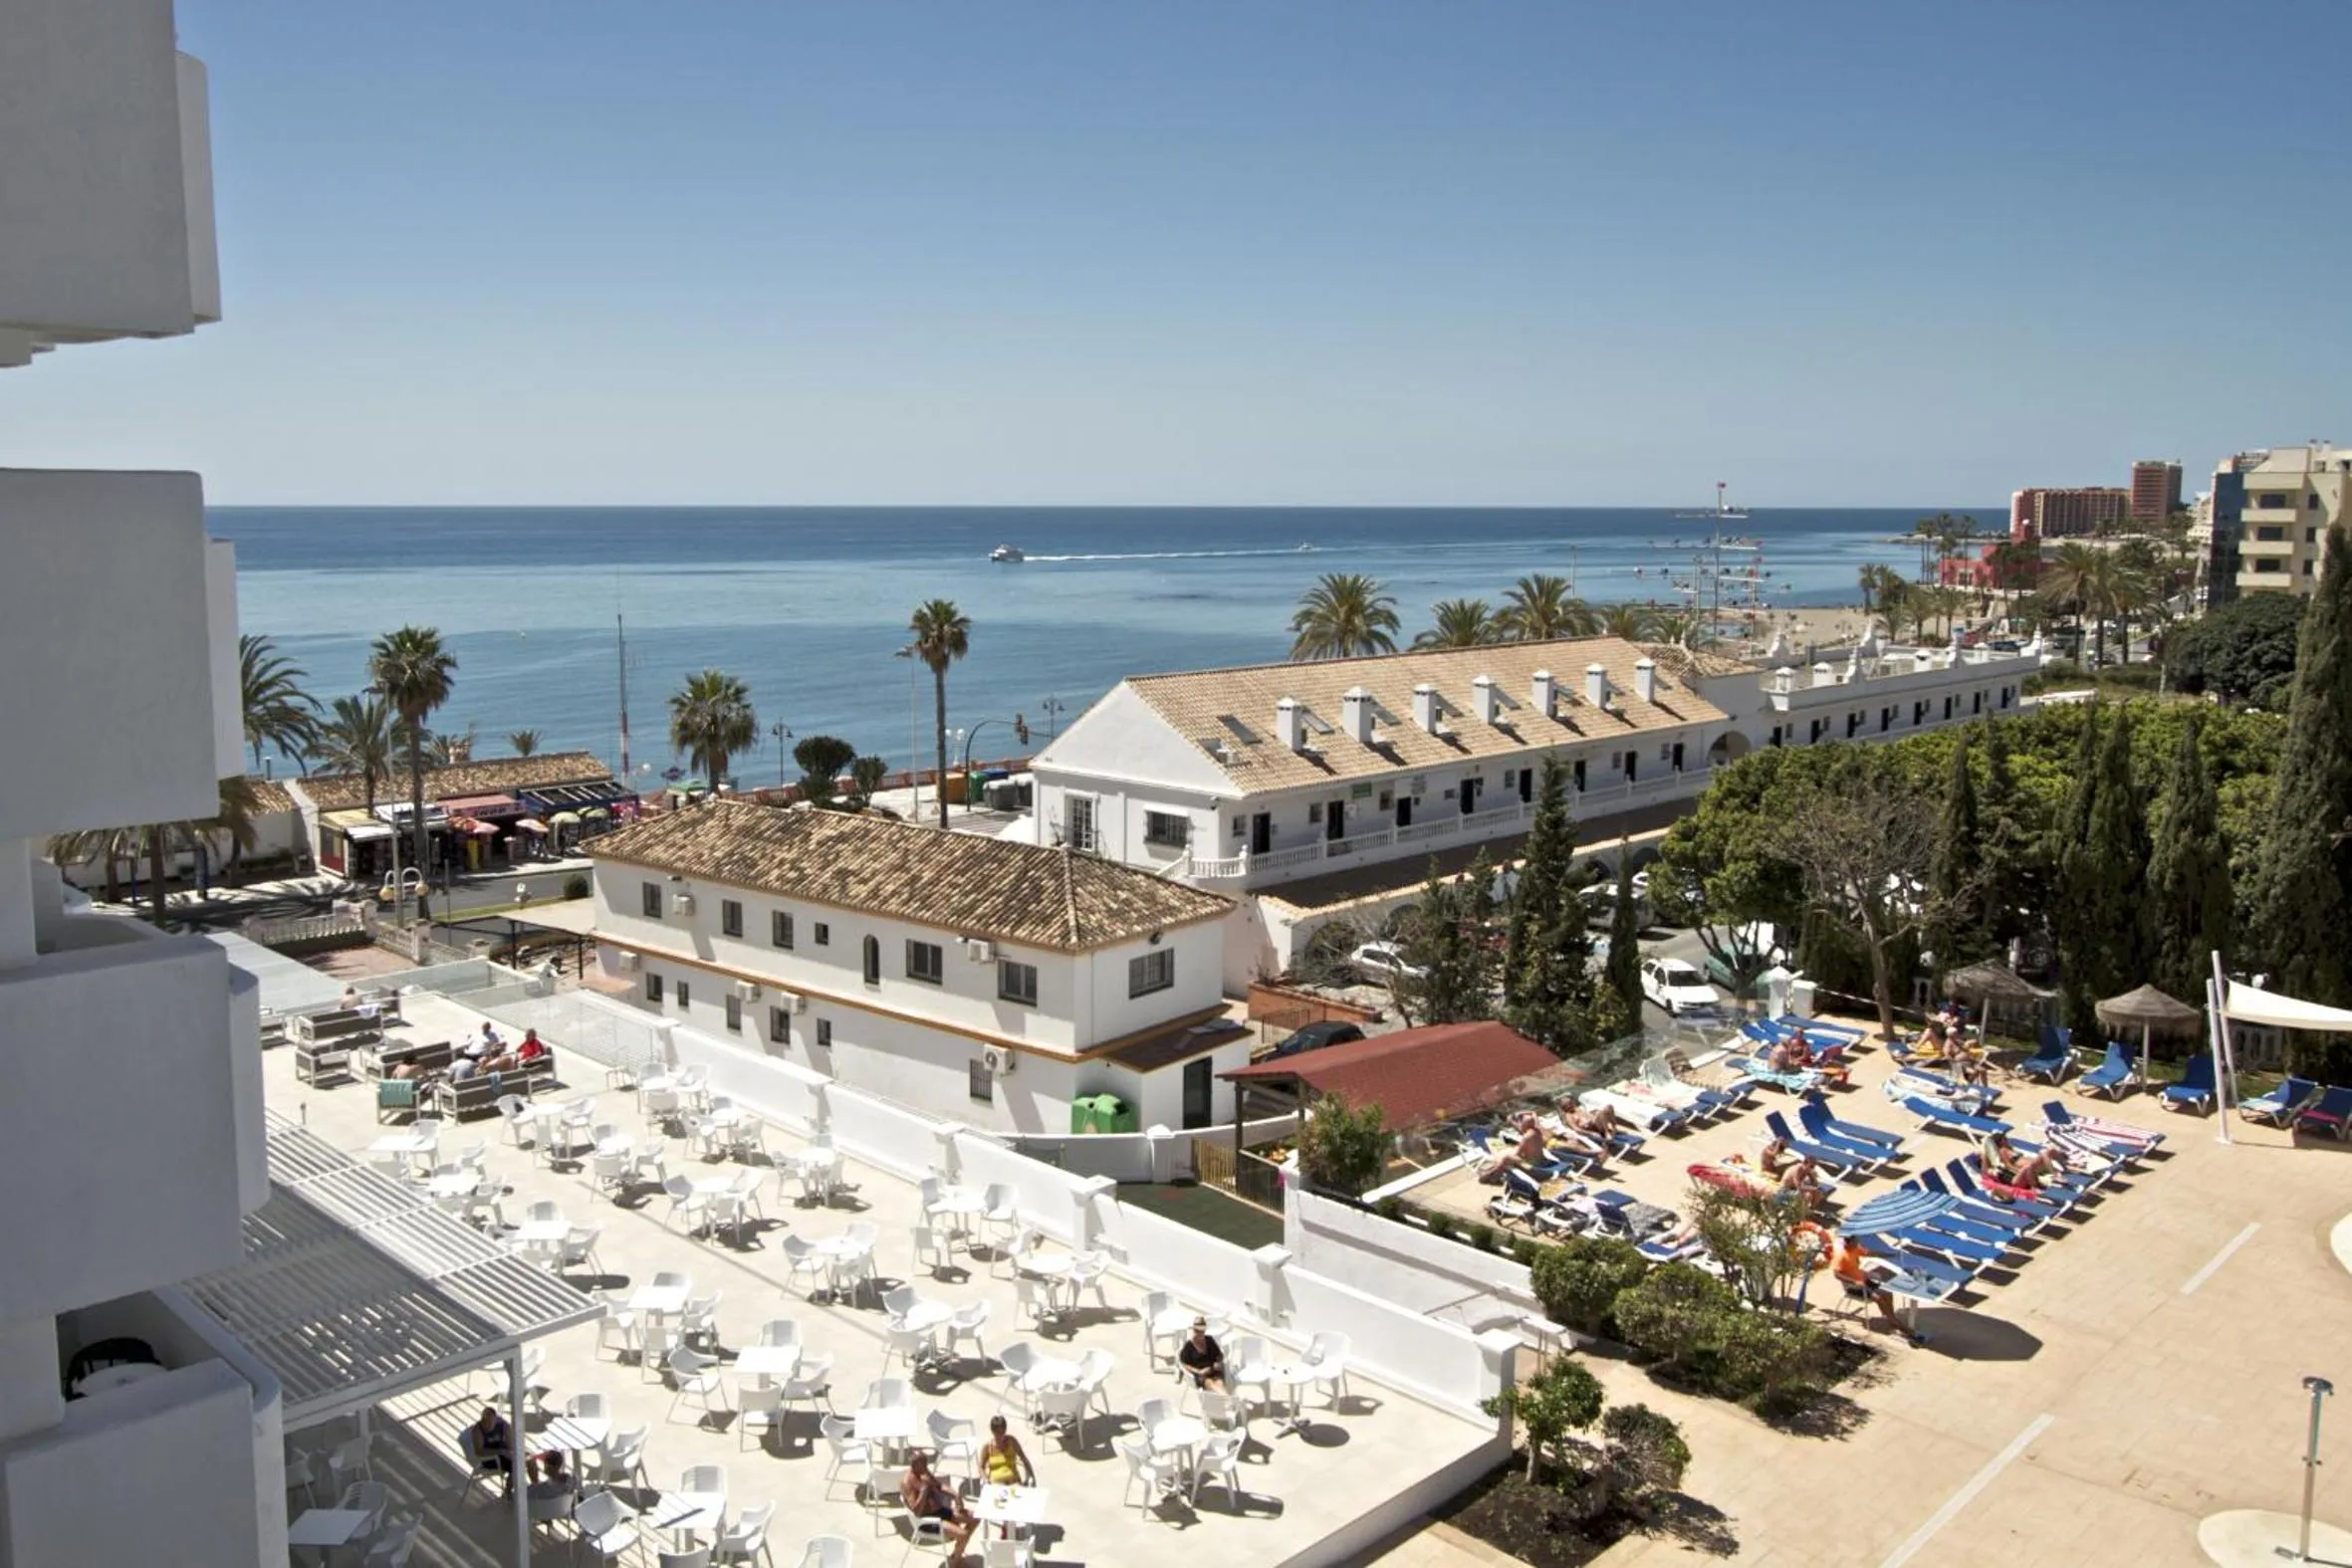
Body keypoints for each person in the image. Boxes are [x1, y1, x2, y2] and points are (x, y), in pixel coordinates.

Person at [1832, 1235, 1920, 1341]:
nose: (1858, 1243)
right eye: (1856, 1241)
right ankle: (1895, 1322)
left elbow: (1869, 1253)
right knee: (1878, 1297)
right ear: (1849, 1243)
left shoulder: (1855, 1249)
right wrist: (1853, 1281)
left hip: (1864, 1281)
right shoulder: (1841, 1256)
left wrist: (1887, 1254)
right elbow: (1836, 1274)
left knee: (1887, 1292)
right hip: (1853, 1286)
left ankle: (1891, 1318)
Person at [900, 1451, 977, 1564]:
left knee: (975, 1517)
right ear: (914, 1465)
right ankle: (954, 1563)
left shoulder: (923, 1472)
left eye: (926, 1463)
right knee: (963, 1535)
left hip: (940, 1511)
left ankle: (957, 1551)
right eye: (923, 1463)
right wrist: (923, 1490)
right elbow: (916, 1511)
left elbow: (939, 1486)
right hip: (927, 1520)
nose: (926, 1466)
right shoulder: (908, 1482)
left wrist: (956, 1496)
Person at [467, 1406, 515, 1497]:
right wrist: (500, 1452)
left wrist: (507, 1431)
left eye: (489, 1420)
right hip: (490, 1458)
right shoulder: (477, 1429)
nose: (486, 1423)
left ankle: (535, 1487)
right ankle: (507, 1493)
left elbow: (511, 1446)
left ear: (495, 1419)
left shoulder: (502, 1425)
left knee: (529, 1460)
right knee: (516, 1467)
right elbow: (479, 1451)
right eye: (484, 1419)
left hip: (504, 1454)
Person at [980, 1414, 1037, 1488]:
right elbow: (981, 1467)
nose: (1000, 1436)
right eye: (997, 1433)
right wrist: (985, 1479)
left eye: (1003, 1432)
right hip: (996, 1484)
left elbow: (1024, 1459)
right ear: (992, 1432)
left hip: (1013, 1482)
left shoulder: (1012, 1441)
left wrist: (1031, 1476)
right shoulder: (987, 1447)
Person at [1177, 1317, 1226, 1391]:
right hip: (1201, 1375)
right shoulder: (1188, 1346)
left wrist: (1218, 1362)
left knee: (1220, 1383)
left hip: (1213, 1371)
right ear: (1193, 1330)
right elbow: (1183, 1364)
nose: (1200, 1333)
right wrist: (1198, 1371)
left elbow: (1219, 1355)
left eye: (1202, 1331)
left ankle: (1227, 1400)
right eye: (1197, 1331)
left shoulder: (1209, 1340)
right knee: (1210, 1384)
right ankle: (1228, 1400)